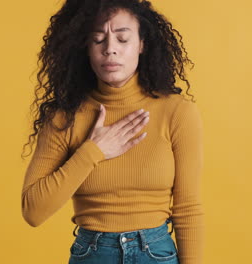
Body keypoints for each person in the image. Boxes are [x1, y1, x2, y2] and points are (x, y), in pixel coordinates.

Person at [20, 0, 205, 263]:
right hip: (92, 253)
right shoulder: (65, 117)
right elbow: (33, 211)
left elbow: (188, 209)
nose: (110, 50)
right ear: (85, 47)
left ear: (142, 44)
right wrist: (93, 151)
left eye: (122, 39)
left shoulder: (176, 112)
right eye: (98, 40)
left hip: (156, 253)